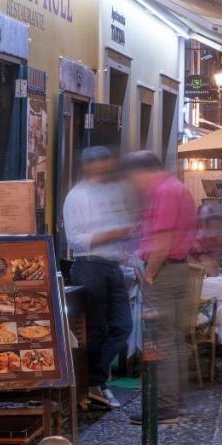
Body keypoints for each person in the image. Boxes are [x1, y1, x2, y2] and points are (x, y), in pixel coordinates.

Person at [125, 151, 197, 424]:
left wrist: (151, 274)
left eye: (135, 178)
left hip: (164, 271)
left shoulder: (164, 192)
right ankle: (176, 402)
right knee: (176, 338)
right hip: (179, 269)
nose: (135, 184)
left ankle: (164, 407)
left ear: (144, 171)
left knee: (163, 340)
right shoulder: (178, 188)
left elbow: (162, 242)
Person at [63, 147, 134, 409]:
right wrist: (111, 235)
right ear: (89, 166)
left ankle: (95, 379)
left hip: (113, 265)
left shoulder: (110, 192)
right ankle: (94, 383)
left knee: (123, 326)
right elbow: (75, 240)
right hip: (90, 266)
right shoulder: (77, 197)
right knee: (95, 329)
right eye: (102, 164)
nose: (106, 168)